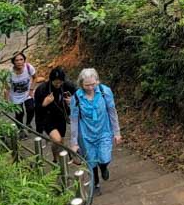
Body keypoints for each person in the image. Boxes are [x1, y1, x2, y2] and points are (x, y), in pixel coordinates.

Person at [69, 67, 121, 196]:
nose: (91, 87)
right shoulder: (77, 97)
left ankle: (103, 167)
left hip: (103, 131)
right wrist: (74, 142)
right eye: (87, 85)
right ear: (81, 84)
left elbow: (112, 112)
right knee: (91, 161)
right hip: (86, 134)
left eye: (93, 84)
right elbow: (74, 120)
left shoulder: (105, 92)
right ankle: (96, 183)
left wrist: (117, 132)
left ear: (97, 81)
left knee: (104, 157)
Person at [33, 66, 75, 148]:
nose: (58, 84)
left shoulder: (67, 85)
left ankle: (55, 160)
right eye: (56, 82)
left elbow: (80, 95)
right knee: (57, 140)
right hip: (47, 118)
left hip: (61, 117)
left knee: (61, 142)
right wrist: (44, 104)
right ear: (51, 80)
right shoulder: (42, 89)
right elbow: (37, 109)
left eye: (60, 82)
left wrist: (72, 100)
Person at [6, 52, 36, 129]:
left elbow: (35, 77)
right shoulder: (10, 73)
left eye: (21, 59)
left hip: (27, 93)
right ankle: (20, 129)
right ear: (13, 62)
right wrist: (6, 101)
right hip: (16, 96)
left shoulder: (29, 67)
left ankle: (28, 124)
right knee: (19, 113)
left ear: (24, 60)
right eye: (16, 60)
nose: (19, 62)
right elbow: (6, 87)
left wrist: (31, 90)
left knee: (31, 109)